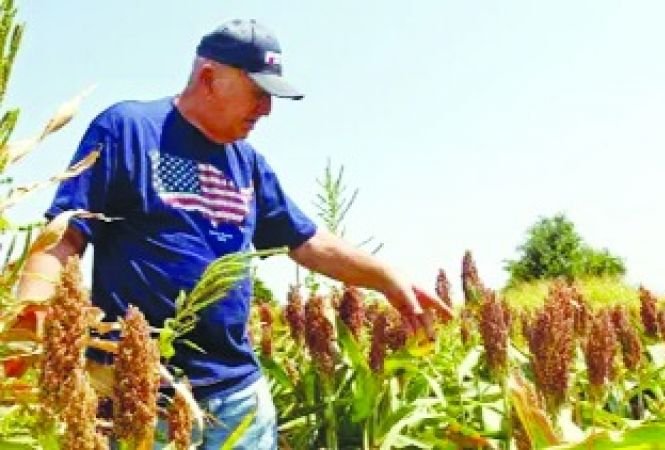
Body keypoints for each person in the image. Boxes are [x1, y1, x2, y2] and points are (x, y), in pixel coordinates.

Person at [16, 19, 452, 449]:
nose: (267, 109)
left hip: (239, 399)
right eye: (259, 92)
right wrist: (24, 336)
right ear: (209, 77)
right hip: (142, 394)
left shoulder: (248, 162)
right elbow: (63, 237)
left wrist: (386, 277)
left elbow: (308, 241)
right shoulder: (128, 129)